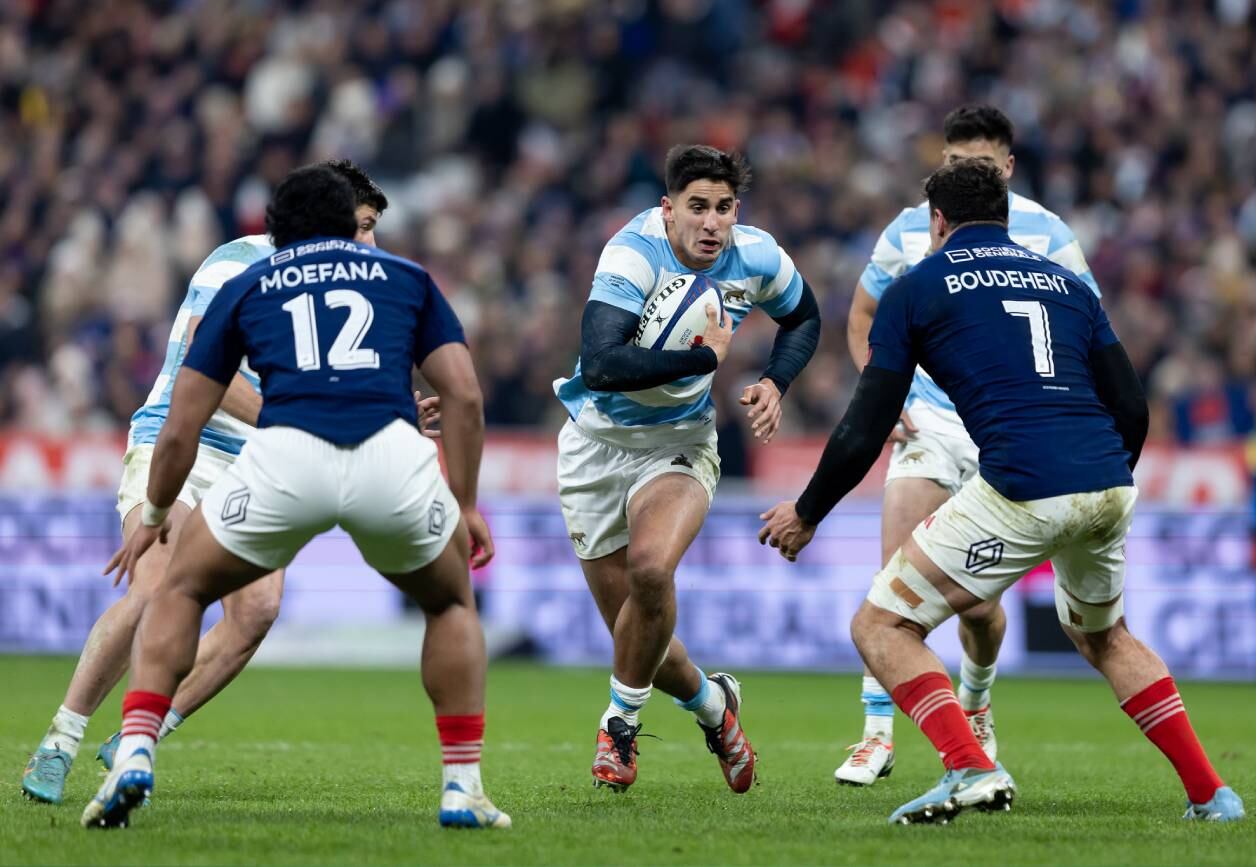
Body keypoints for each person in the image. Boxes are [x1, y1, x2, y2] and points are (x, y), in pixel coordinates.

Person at [760, 160, 1243, 825]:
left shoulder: (916, 287)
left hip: (1021, 481)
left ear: (937, 221)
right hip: (1105, 477)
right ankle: (1212, 793)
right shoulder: (1069, 283)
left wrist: (807, 511)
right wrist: (1091, 482)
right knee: (1106, 636)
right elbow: (1131, 406)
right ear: (1006, 218)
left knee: (881, 623)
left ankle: (969, 765)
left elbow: (868, 424)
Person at [79, 164, 509, 830]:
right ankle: (462, 786)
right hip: (388, 456)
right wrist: (467, 502)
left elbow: (180, 425)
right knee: (450, 600)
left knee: (182, 590)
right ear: (352, 225)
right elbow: (466, 396)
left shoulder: (249, 281)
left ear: (275, 231)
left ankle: (135, 746)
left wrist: (157, 516)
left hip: (286, 455)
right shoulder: (408, 278)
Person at [19, 161, 422, 806]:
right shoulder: (239, 264)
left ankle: (136, 737)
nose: (373, 244)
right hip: (181, 441)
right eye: (365, 227)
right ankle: (59, 742)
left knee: (257, 611)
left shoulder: (348, 291)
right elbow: (212, 377)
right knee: (153, 592)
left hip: (257, 464)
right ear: (325, 222)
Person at [834, 104, 1102, 786]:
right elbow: (862, 315)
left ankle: (977, 706)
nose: (964, 177)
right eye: (953, 166)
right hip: (929, 422)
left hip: (1007, 430)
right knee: (893, 580)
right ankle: (875, 734)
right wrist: (881, 392)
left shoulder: (1049, 233)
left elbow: (1090, 330)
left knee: (978, 607)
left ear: (1007, 167)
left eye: (978, 166)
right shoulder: (907, 229)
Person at [553, 144, 820, 793]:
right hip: (595, 445)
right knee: (642, 640)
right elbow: (604, 361)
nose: (711, 222)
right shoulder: (632, 253)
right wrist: (705, 360)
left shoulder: (756, 254)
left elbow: (804, 316)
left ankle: (618, 730)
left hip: (680, 444)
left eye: (724, 208)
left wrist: (777, 381)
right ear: (668, 208)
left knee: (651, 569)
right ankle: (714, 708)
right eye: (697, 207)